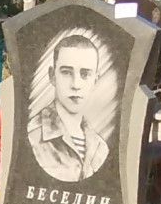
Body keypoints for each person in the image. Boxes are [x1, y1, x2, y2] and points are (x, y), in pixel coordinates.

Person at [29, 32, 116, 182]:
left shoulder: (100, 148)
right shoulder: (33, 137)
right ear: (52, 76)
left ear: (95, 81)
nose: (76, 85)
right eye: (66, 73)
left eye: (85, 74)